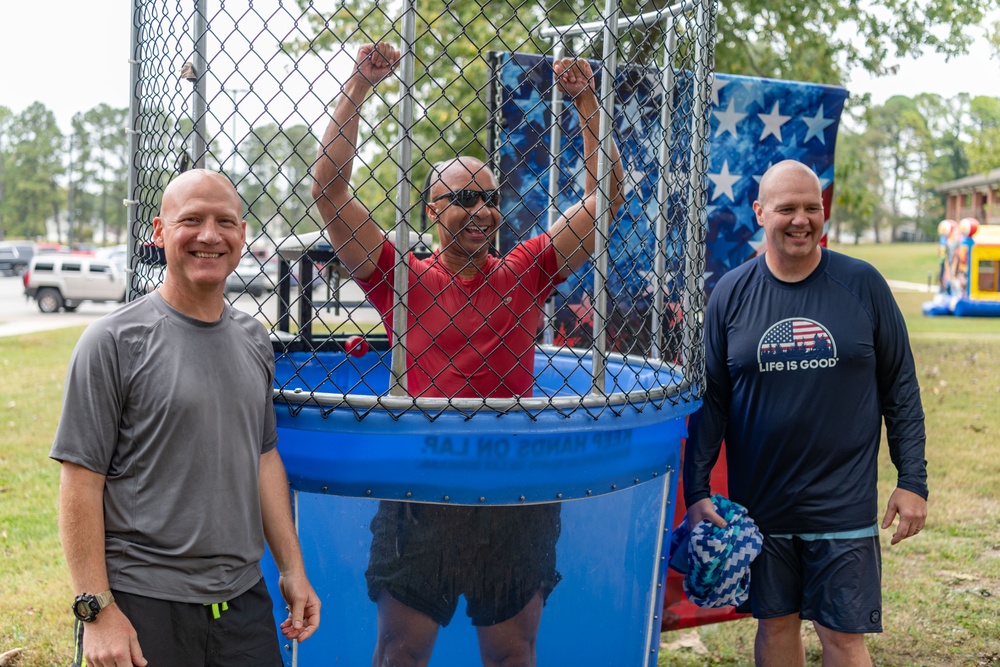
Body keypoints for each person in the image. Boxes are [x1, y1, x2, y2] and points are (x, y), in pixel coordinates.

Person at [312, 42, 624, 666]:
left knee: (511, 656)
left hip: (513, 486)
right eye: (463, 199)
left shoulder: (526, 270)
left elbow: (605, 200)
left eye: (489, 199)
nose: (481, 211)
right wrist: (357, 86)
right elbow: (329, 189)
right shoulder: (400, 278)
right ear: (432, 211)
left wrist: (587, 103)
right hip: (419, 488)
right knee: (400, 653)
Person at [52, 169, 321, 667]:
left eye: (225, 221)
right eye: (191, 220)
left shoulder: (253, 340)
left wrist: (291, 568)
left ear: (242, 235)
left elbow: (262, 459)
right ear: (159, 231)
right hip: (144, 604)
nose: (209, 235)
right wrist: (97, 611)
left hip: (244, 604)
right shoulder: (112, 342)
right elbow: (79, 483)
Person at [683, 159, 928, 667]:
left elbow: (900, 388)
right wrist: (698, 491)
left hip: (841, 507)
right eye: (787, 208)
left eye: (812, 207)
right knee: (774, 626)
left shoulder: (863, 285)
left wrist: (913, 481)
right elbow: (713, 402)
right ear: (759, 213)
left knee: (842, 636)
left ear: (824, 212)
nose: (801, 220)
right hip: (763, 506)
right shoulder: (730, 293)